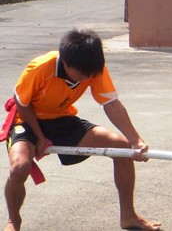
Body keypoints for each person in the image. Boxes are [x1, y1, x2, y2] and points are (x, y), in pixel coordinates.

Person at [2, 29, 161, 231]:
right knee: (19, 167)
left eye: (90, 74)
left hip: (62, 118)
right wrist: (40, 137)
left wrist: (136, 140)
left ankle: (129, 216)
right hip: (26, 120)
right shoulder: (41, 67)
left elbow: (111, 103)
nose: (87, 77)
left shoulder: (93, 67)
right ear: (66, 63)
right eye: (82, 74)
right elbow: (21, 103)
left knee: (122, 147)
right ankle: (13, 221)